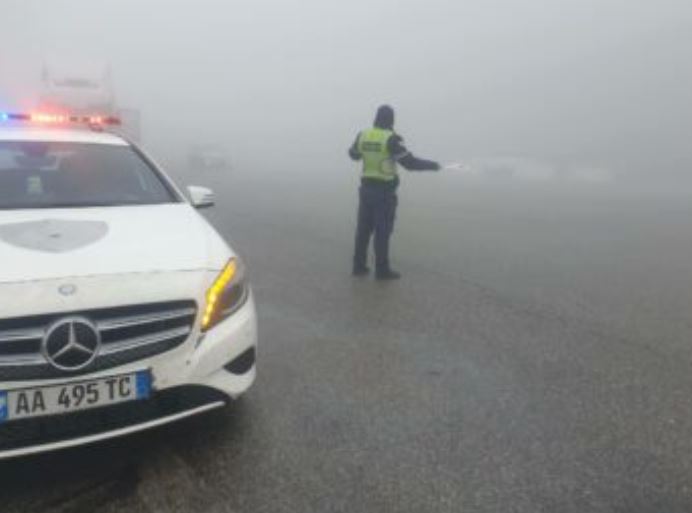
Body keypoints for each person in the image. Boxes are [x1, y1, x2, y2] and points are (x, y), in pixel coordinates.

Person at [349, 105, 441, 280]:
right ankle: (382, 270)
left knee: (363, 230)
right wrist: (433, 165)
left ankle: (358, 266)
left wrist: (366, 152)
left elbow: (353, 155)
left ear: (376, 118)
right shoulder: (391, 139)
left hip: (366, 190)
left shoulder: (363, 135)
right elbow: (410, 163)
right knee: (382, 231)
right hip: (383, 192)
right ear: (391, 120)